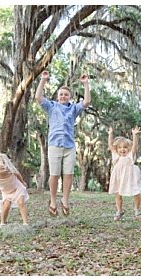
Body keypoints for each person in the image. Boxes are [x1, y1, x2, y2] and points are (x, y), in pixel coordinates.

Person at [35, 70, 91, 217]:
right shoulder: (51, 106)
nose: (63, 96)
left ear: (70, 97)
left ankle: (65, 200)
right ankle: (53, 201)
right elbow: (38, 97)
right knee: (54, 175)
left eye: (66, 94)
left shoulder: (73, 108)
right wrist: (43, 80)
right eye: (61, 94)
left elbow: (86, 102)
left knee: (68, 174)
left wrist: (85, 84)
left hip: (69, 146)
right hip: (54, 145)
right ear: (58, 96)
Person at [107, 126, 141, 220]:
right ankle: (119, 211)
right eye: (120, 147)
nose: (122, 149)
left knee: (136, 192)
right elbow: (110, 146)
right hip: (119, 177)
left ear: (129, 148)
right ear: (117, 149)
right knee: (118, 194)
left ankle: (137, 210)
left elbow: (135, 146)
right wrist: (110, 134)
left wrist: (134, 135)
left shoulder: (130, 155)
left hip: (130, 177)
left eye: (125, 147)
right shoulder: (116, 156)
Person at [0, 153, 29, 226]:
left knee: (21, 203)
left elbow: (18, 174)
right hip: (7, 192)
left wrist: (22, 182)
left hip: (17, 189)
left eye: (2, 165)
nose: (1, 168)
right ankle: (2, 223)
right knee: (6, 206)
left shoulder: (10, 171)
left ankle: (25, 223)